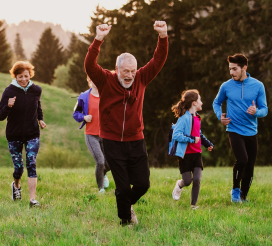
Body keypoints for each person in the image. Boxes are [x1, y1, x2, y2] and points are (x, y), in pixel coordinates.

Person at [84, 21, 168, 225]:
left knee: (142, 184)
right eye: (126, 71)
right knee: (122, 187)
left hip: (136, 140)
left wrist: (163, 37)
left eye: (133, 71)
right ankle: (125, 222)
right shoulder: (106, 80)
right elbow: (89, 65)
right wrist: (98, 40)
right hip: (112, 141)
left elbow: (158, 61)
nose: (130, 75)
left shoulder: (141, 78)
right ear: (117, 69)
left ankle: (125, 204)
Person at [212, 54, 268, 203]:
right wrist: (220, 116)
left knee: (250, 165)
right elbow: (216, 103)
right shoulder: (226, 86)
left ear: (244, 68)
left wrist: (257, 112)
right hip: (234, 129)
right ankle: (235, 191)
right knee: (242, 159)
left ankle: (243, 197)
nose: (231, 72)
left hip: (251, 131)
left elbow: (265, 109)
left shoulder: (258, 86)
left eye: (234, 69)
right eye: (230, 69)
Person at [0, 61, 47, 207]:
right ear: (15, 76)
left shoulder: (36, 90)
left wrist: (40, 119)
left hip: (32, 133)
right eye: (20, 77)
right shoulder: (9, 91)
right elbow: (0, 115)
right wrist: (8, 105)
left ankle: (32, 199)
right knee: (18, 167)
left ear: (30, 75)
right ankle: (16, 186)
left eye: (26, 76)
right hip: (14, 134)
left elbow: (38, 106)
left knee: (31, 163)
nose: (23, 79)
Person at [170, 90, 213, 209]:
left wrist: (207, 143)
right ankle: (179, 184)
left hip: (197, 154)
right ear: (194, 103)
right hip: (185, 155)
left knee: (197, 179)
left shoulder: (197, 118)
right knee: (187, 181)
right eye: (200, 100)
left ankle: (193, 205)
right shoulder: (183, 119)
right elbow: (176, 135)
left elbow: (199, 134)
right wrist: (192, 139)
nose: (202, 103)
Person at [73, 76, 110, 193]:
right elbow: (75, 113)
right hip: (91, 135)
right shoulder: (83, 97)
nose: (95, 83)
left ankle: (102, 173)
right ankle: (101, 189)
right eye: (92, 80)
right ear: (89, 81)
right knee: (100, 161)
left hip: (106, 135)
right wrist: (84, 117)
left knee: (110, 162)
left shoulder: (107, 96)